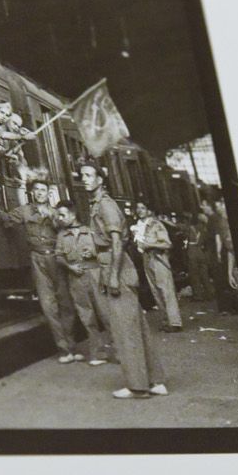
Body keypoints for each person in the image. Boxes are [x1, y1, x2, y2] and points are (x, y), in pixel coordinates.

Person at [78, 161, 167, 398]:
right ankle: (155, 381)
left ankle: (138, 386)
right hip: (113, 263)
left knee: (124, 329)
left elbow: (117, 242)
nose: (84, 179)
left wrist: (114, 277)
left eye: (89, 175)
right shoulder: (99, 204)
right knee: (136, 326)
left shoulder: (105, 206)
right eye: (82, 175)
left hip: (115, 268)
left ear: (100, 179)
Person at [0, 181, 81, 363]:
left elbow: (67, 228)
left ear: (48, 193)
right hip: (38, 259)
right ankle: (64, 349)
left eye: (43, 190)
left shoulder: (55, 211)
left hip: (57, 258)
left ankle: (72, 344)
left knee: (66, 303)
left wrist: (54, 218)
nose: (39, 193)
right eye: (36, 190)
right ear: (32, 193)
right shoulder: (25, 210)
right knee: (48, 305)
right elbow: (8, 219)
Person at [54, 203, 113, 365]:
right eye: (58, 215)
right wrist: (70, 266)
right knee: (87, 317)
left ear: (73, 215)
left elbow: (104, 250)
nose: (60, 218)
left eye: (62, 215)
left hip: (94, 275)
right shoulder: (61, 235)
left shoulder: (90, 231)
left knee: (106, 314)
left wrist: (93, 253)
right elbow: (58, 256)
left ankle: (122, 353)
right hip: (76, 279)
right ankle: (98, 354)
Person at [131, 201, 183, 331]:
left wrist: (150, 245)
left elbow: (167, 244)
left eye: (143, 208)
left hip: (158, 258)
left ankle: (175, 322)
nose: (139, 210)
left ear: (149, 211)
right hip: (147, 259)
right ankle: (166, 321)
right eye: (137, 208)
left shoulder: (156, 225)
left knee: (166, 290)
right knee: (156, 291)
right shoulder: (139, 226)